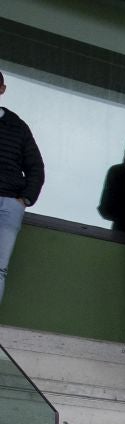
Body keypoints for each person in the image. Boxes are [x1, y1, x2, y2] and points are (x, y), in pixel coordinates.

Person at [0, 71, 45, 307]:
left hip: (9, 205)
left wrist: (25, 199)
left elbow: (36, 167)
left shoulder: (17, 126)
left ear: (2, 90)